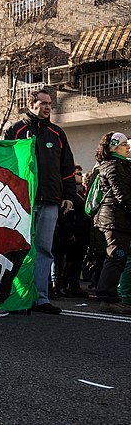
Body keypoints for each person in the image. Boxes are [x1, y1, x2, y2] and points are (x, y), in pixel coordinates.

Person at [5, 88, 75, 315]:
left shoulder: (57, 133)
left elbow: (67, 168)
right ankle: (14, 296)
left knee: (45, 249)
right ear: (30, 103)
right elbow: (2, 164)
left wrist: (68, 196)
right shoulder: (15, 130)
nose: (47, 107)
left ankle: (40, 298)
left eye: (50, 104)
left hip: (50, 201)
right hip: (21, 201)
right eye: (43, 103)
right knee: (16, 247)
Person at [92, 132, 131, 314]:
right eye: (124, 144)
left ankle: (109, 297)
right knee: (115, 256)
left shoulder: (120, 164)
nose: (128, 147)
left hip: (118, 219)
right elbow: (123, 196)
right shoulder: (113, 166)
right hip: (114, 220)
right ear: (114, 147)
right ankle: (107, 299)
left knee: (117, 258)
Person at [51, 165, 90, 298]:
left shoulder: (79, 196)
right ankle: (59, 285)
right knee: (61, 261)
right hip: (67, 233)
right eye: (77, 175)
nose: (79, 177)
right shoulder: (67, 196)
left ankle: (71, 285)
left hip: (79, 233)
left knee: (74, 261)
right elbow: (65, 216)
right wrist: (69, 233)